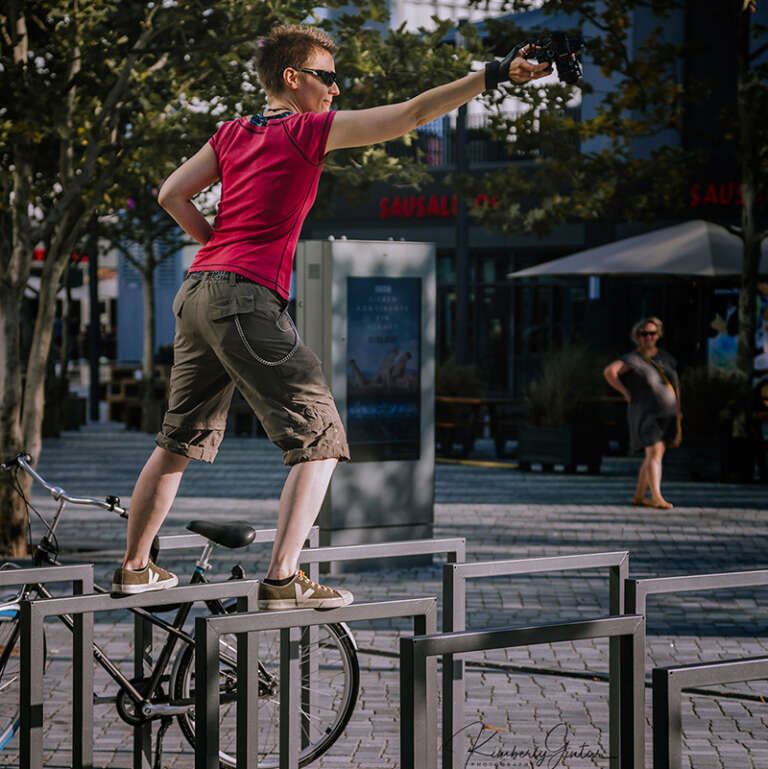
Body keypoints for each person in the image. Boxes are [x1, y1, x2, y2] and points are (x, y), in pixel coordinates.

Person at [111, 24, 551, 606]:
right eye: (328, 78)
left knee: (177, 441)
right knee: (321, 439)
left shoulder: (232, 132)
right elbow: (412, 114)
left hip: (197, 293)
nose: (336, 91)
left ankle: (135, 568)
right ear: (293, 79)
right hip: (245, 295)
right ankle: (283, 580)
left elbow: (172, 193)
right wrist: (493, 75)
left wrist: (217, 242)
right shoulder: (303, 130)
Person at [603, 317, 681, 509]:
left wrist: (679, 410)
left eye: (652, 333)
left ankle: (639, 495)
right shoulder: (633, 359)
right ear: (637, 336)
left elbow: (676, 385)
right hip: (645, 413)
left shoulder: (666, 357)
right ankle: (657, 496)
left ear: (658, 335)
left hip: (668, 412)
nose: (648, 337)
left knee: (655, 454)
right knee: (654, 451)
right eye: (644, 334)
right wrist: (625, 392)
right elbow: (610, 372)